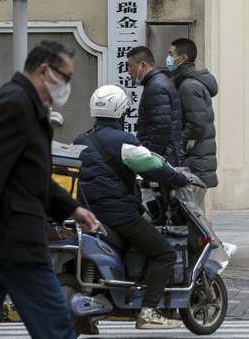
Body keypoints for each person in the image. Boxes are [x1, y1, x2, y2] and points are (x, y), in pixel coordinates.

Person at [0, 41, 100, 339]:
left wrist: (72, 208)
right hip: (16, 236)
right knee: (55, 325)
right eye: (66, 77)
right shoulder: (14, 102)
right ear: (45, 70)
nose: (67, 86)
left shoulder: (25, 103)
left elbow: (30, 176)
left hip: (0, 238)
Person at [72, 85, 198, 330]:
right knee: (165, 253)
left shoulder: (81, 139)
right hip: (118, 215)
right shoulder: (124, 141)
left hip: (86, 212)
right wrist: (182, 178)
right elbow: (155, 167)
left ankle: (87, 319)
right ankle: (149, 311)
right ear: (121, 112)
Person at [167, 38, 219, 188]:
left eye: (171, 54)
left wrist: (179, 146)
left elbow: (197, 124)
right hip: (195, 158)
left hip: (195, 159)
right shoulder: (185, 82)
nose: (168, 58)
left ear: (183, 58)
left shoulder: (189, 86)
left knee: (189, 208)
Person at [127, 46, 183, 166]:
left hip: (164, 155)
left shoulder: (155, 87)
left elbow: (162, 127)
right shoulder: (159, 81)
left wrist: (150, 157)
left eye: (131, 66)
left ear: (143, 65)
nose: (129, 71)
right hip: (168, 152)